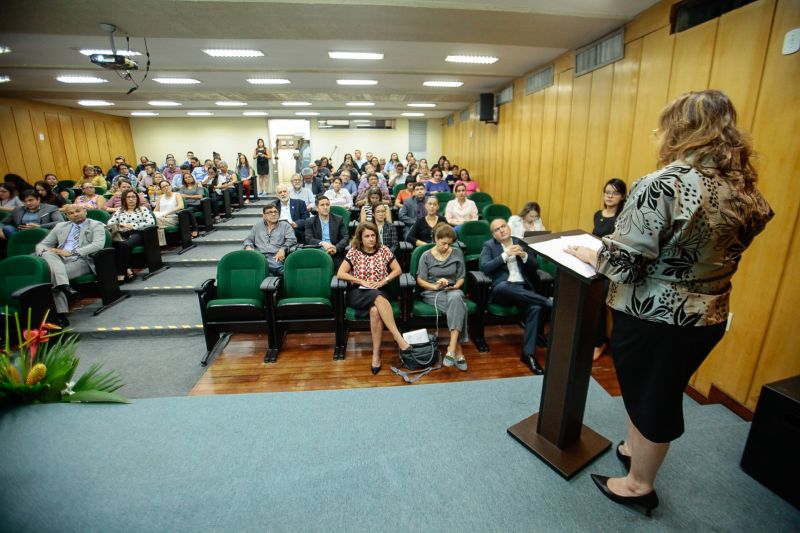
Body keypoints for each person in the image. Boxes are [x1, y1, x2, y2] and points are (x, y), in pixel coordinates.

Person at [564, 90, 773, 516]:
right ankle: (631, 447)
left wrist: (592, 253)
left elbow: (623, 263)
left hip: (653, 315)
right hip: (709, 313)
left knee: (654, 397)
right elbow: (757, 224)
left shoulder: (664, 183)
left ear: (680, 130)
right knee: (655, 387)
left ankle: (639, 484)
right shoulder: (743, 187)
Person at [336, 222, 412, 374]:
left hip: (380, 289)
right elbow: (341, 273)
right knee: (375, 296)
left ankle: (376, 354)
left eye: (373, 235)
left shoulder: (383, 250)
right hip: (359, 292)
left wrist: (383, 281)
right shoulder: (354, 252)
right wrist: (361, 280)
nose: (371, 239)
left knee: (375, 312)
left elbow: (397, 269)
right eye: (367, 236)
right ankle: (398, 338)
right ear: (360, 238)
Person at [482, 218, 552, 375]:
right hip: (503, 290)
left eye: (503, 226)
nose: (501, 230)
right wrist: (505, 255)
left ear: (509, 227)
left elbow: (535, 266)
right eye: (497, 229)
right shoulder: (489, 246)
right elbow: (485, 268)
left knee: (535, 308)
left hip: (522, 289)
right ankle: (548, 302)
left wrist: (524, 255)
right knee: (505, 286)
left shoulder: (520, 242)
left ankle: (528, 355)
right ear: (493, 234)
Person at [34, 204, 106, 327]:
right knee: (47, 253)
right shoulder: (60, 226)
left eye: (78, 211)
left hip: (81, 260)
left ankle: (60, 315)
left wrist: (71, 253)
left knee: (52, 276)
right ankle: (65, 287)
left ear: (85, 211)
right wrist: (47, 251)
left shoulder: (96, 225)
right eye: (71, 213)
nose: (75, 214)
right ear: (67, 216)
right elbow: (42, 244)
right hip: (59, 260)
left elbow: (98, 244)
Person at [416, 223, 468, 371]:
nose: (446, 247)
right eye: (443, 243)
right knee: (460, 306)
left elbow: (461, 277)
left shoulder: (457, 253)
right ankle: (457, 349)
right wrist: (435, 286)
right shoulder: (426, 256)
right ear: (436, 239)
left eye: (449, 244)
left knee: (456, 297)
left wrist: (455, 286)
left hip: (452, 290)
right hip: (432, 292)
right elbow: (420, 280)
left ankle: (450, 349)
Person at [591, 178, 628, 361]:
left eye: (614, 193)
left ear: (622, 196)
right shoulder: (599, 214)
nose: (610, 196)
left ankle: (601, 343)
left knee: (602, 302)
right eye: (607, 192)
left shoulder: (622, 218)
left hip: (611, 267)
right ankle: (596, 340)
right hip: (595, 263)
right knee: (593, 301)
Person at [107, 189, 157, 282]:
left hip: (139, 233)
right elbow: (110, 222)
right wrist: (121, 225)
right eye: (128, 197)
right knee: (115, 244)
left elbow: (151, 222)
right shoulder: (120, 210)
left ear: (137, 199)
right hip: (122, 233)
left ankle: (121, 273)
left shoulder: (143, 209)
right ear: (124, 199)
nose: (131, 199)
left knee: (124, 244)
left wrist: (134, 225)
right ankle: (128, 269)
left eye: (133, 197)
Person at [243, 203, 297, 275]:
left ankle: (278, 271)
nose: (273, 214)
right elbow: (248, 239)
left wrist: (283, 249)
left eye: (275, 212)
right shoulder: (257, 226)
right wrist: (248, 246)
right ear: (264, 216)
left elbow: (292, 240)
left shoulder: (285, 225)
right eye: (270, 212)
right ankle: (280, 271)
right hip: (259, 255)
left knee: (264, 264)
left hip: (275, 256)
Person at [305, 195, 348, 270]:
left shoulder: (338, 219)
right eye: (322, 205)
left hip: (336, 253)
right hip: (318, 253)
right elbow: (309, 238)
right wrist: (323, 243)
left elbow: (345, 237)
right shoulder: (310, 221)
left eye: (327, 205)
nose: (325, 207)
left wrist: (336, 248)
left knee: (342, 270)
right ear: (317, 208)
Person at [177, 173, 202, 237]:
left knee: (188, 210)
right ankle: (184, 232)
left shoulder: (198, 185)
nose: (188, 178)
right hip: (185, 205)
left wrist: (187, 196)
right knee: (180, 212)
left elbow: (200, 196)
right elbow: (180, 196)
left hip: (196, 204)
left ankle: (195, 229)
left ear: (192, 177)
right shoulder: (182, 187)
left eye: (189, 177)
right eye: (186, 178)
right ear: (184, 180)